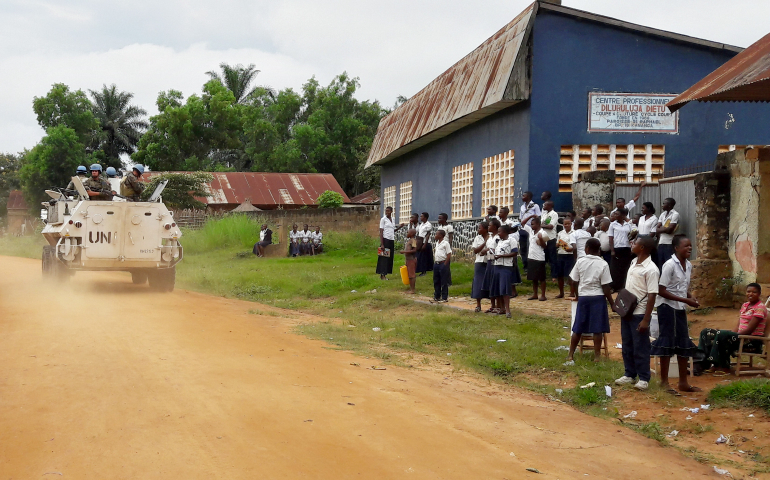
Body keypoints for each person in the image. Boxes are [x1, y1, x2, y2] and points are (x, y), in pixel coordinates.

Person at [651, 235, 701, 394]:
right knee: (667, 342)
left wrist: (689, 297)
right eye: (686, 246)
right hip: (666, 307)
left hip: (679, 307)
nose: (689, 248)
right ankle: (664, 383)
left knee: (683, 341)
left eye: (690, 246)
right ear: (676, 248)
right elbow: (662, 290)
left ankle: (683, 383)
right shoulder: (669, 265)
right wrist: (686, 300)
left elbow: (682, 286)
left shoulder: (688, 265)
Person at [615, 236, 659, 391]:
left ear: (642, 248)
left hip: (640, 313)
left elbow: (652, 295)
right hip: (627, 311)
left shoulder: (651, 269)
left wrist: (646, 319)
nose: (631, 244)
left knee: (640, 346)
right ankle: (629, 374)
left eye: (635, 242)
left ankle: (644, 377)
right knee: (627, 344)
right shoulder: (633, 262)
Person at [695, 284, 767, 375]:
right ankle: (704, 363)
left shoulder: (760, 308)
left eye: (754, 292)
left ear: (759, 294)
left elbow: (749, 330)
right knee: (706, 332)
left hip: (751, 339)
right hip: (740, 336)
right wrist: (731, 333)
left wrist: (730, 335)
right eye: (748, 291)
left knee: (722, 334)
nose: (750, 294)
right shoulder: (745, 305)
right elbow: (738, 325)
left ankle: (723, 366)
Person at [565, 238, 615, 364]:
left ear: (586, 248)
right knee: (597, 329)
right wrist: (612, 303)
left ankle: (570, 354)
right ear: (599, 250)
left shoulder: (580, 261)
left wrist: (577, 294)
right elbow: (606, 287)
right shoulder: (603, 264)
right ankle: (597, 356)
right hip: (598, 297)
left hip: (583, 297)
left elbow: (573, 281)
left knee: (578, 327)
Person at [492, 224, 519, 318]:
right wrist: (493, 255)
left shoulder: (512, 240)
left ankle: (508, 310)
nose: (498, 233)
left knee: (505, 288)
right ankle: (501, 308)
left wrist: (502, 256)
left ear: (505, 232)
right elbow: (497, 252)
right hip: (497, 266)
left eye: (500, 232)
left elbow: (515, 252)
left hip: (506, 266)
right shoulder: (499, 241)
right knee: (499, 288)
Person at [609, 207, 633, 291]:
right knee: (615, 268)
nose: (615, 215)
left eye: (617, 214)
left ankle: (622, 286)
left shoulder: (628, 225)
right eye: (614, 214)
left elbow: (631, 237)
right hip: (616, 248)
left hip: (626, 248)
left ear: (623, 215)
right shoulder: (612, 225)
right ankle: (614, 286)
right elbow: (611, 238)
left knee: (625, 267)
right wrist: (612, 250)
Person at [377, 206, 405, 279]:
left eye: (388, 211)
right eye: (386, 211)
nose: (387, 212)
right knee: (384, 257)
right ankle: (382, 274)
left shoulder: (392, 219)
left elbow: (392, 231)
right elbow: (381, 232)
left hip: (391, 240)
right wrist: (382, 244)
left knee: (389, 258)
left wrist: (399, 227)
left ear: (391, 211)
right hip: (385, 240)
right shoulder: (383, 219)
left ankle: (385, 273)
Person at [481, 219, 501, 313]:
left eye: (490, 225)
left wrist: (488, 250)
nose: (488, 227)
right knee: (490, 283)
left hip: (496, 262)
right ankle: (492, 305)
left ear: (495, 227)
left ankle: (499, 305)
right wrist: (485, 252)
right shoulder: (489, 238)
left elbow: (498, 250)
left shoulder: (498, 237)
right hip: (489, 260)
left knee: (496, 283)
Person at [471, 222, 491, 312]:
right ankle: (478, 305)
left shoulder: (492, 237)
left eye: (480, 228)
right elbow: (475, 251)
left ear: (486, 229)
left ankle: (493, 305)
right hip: (479, 262)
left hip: (489, 262)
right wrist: (484, 243)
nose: (478, 230)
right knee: (478, 283)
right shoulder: (477, 238)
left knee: (489, 283)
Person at [519, 191, 541, 269]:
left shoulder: (535, 206)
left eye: (524, 195)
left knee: (530, 247)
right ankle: (525, 265)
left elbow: (538, 217)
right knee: (523, 248)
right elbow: (520, 218)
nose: (522, 197)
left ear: (528, 197)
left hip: (531, 229)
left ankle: (531, 264)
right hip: (523, 228)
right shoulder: (522, 207)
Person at [527, 217, 548, 301]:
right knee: (533, 278)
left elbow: (545, 246)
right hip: (531, 256)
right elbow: (522, 223)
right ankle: (535, 294)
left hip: (539, 257)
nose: (531, 226)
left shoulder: (543, 233)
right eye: (531, 224)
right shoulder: (531, 232)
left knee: (541, 278)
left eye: (533, 224)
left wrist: (540, 239)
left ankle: (543, 295)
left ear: (538, 224)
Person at [656, 197, 680, 270]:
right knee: (660, 263)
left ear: (669, 205)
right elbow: (657, 229)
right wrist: (665, 229)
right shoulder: (663, 214)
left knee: (668, 264)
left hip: (669, 243)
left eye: (664, 203)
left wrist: (662, 229)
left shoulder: (675, 214)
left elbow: (670, 230)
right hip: (661, 242)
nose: (662, 205)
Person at [556, 218, 576, 298]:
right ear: (563, 224)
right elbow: (557, 243)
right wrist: (561, 244)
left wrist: (570, 249)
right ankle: (561, 293)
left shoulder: (574, 233)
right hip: (561, 254)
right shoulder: (560, 233)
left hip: (570, 255)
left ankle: (572, 292)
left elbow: (575, 245)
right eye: (565, 224)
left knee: (570, 275)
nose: (567, 225)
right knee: (560, 275)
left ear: (571, 224)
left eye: (568, 224)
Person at [431, 230, 452, 303]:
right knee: (436, 280)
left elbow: (449, 254)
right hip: (436, 263)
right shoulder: (437, 243)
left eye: (436, 234)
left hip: (443, 263)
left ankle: (444, 297)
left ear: (441, 235)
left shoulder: (445, 243)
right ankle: (437, 296)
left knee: (444, 281)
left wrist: (446, 263)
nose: (435, 235)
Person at [541, 200, 559, 280]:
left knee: (552, 257)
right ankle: (544, 275)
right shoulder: (545, 214)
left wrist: (541, 225)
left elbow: (551, 226)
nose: (543, 206)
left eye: (545, 205)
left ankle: (554, 275)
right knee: (544, 257)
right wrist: (543, 225)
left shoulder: (554, 214)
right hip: (544, 238)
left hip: (551, 238)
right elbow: (543, 224)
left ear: (550, 206)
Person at [400, 228, 419, 294]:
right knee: (409, 275)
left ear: (412, 234)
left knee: (412, 275)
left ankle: (412, 290)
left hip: (411, 259)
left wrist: (404, 251)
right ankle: (411, 288)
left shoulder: (413, 241)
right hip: (408, 259)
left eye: (408, 232)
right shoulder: (410, 240)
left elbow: (414, 250)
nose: (407, 233)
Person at [415, 212, 434, 277]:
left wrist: (425, 244)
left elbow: (428, 234)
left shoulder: (428, 225)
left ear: (425, 217)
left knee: (424, 258)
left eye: (421, 216)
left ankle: (424, 271)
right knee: (419, 257)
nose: (420, 218)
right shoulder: (421, 225)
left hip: (426, 242)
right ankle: (420, 270)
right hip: (420, 242)